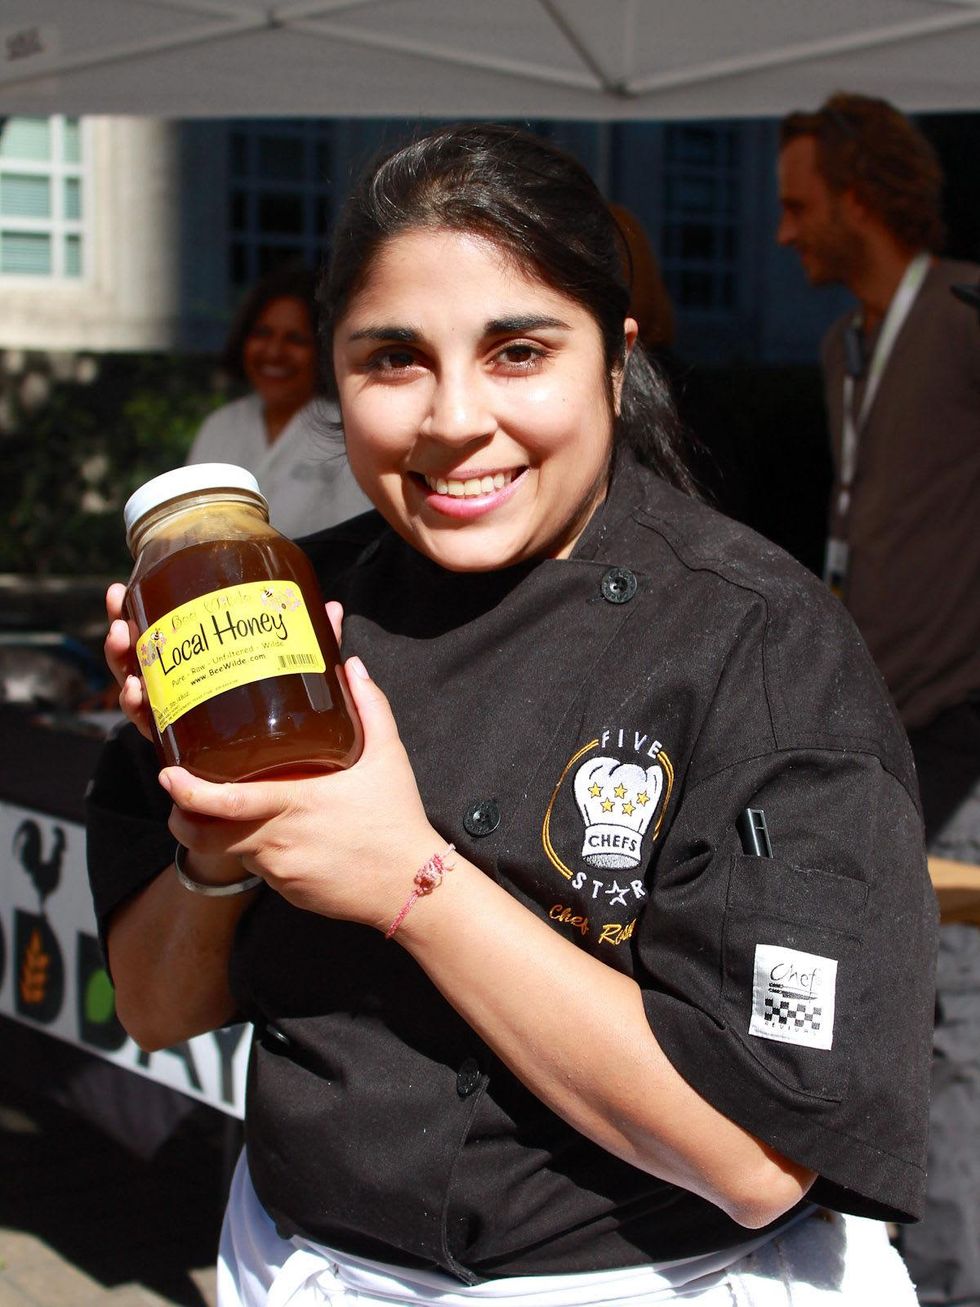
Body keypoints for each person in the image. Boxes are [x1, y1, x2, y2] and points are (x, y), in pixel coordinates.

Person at [87, 124, 937, 1306]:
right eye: (393, 358)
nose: (453, 417)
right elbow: (156, 1004)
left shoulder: (758, 644)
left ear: (614, 359)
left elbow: (755, 1158)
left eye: (518, 350)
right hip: (300, 1265)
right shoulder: (272, 618)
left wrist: (408, 878)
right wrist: (220, 842)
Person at [777, 92, 980, 1307]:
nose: (781, 232)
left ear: (858, 198)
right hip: (877, 735)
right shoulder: (839, 347)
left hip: (961, 735)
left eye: (797, 205)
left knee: (955, 1023)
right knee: (890, 1006)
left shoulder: (960, 316)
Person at [187, 261, 370, 538]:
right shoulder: (220, 425)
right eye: (263, 334)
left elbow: (358, 539)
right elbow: (187, 527)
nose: (274, 352)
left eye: (295, 339)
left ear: (325, 350)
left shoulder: (346, 430)